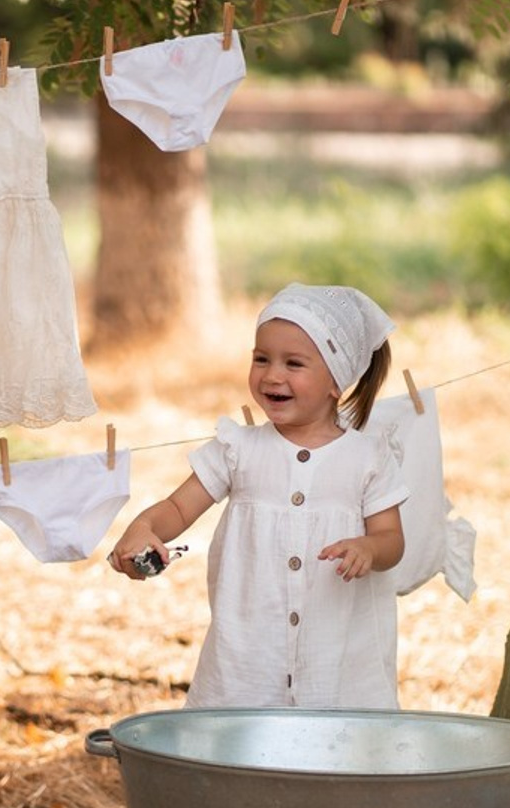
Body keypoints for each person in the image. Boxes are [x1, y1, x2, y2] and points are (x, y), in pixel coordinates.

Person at [106, 283, 408, 710]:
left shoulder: (366, 457)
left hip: (338, 656)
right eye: (261, 359)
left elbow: (392, 539)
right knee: (240, 747)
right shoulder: (239, 449)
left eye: (294, 363)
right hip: (248, 656)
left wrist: (368, 548)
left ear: (335, 381)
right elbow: (178, 506)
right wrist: (143, 527)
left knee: (337, 747)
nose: (272, 375)